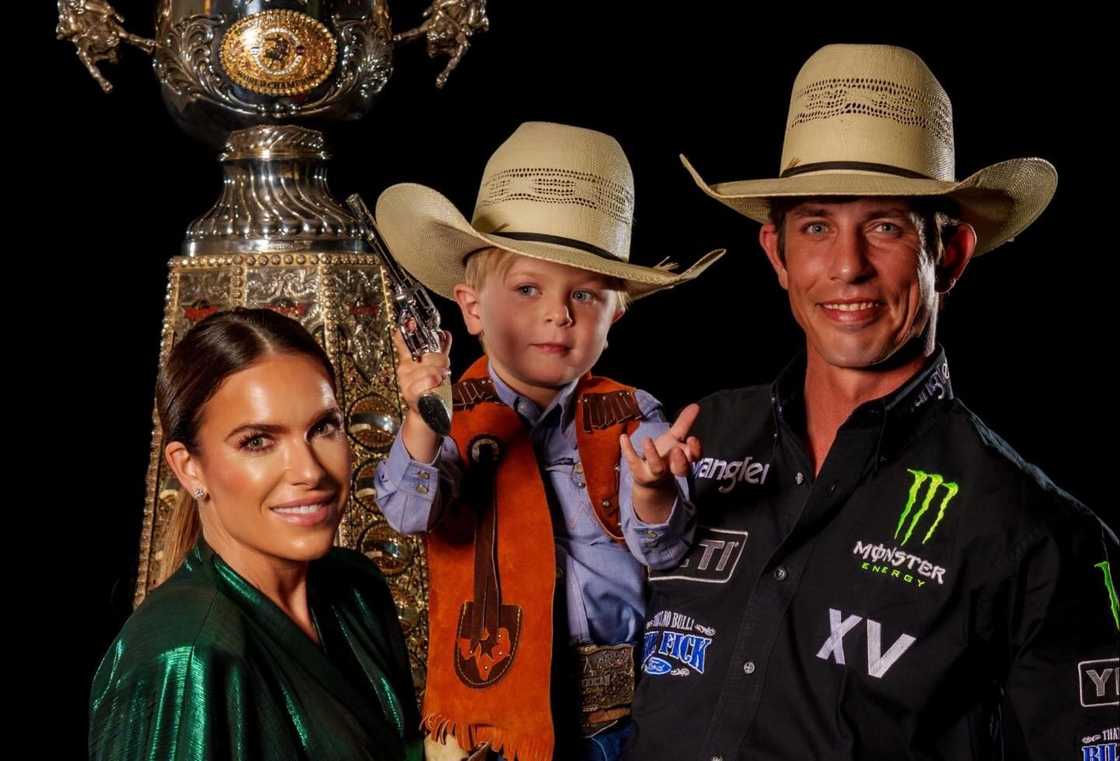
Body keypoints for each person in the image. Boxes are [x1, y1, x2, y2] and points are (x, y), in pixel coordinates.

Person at [625, 44, 1120, 760]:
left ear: (948, 256)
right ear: (778, 253)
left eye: (885, 225)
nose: (848, 264)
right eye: (817, 226)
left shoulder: (1038, 535)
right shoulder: (700, 442)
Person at [372, 121, 724, 761]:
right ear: (473, 309)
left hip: (614, 712)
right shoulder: (453, 418)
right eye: (528, 288)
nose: (558, 313)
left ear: (614, 316)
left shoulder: (633, 416)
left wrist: (652, 493)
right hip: (489, 723)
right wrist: (423, 419)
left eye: (585, 295)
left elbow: (666, 550)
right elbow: (408, 511)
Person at [89, 308, 422, 761]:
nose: (309, 472)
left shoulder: (358, 590)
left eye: (323, 427)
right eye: (258, 442)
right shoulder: (187, 657)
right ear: (189, 468)